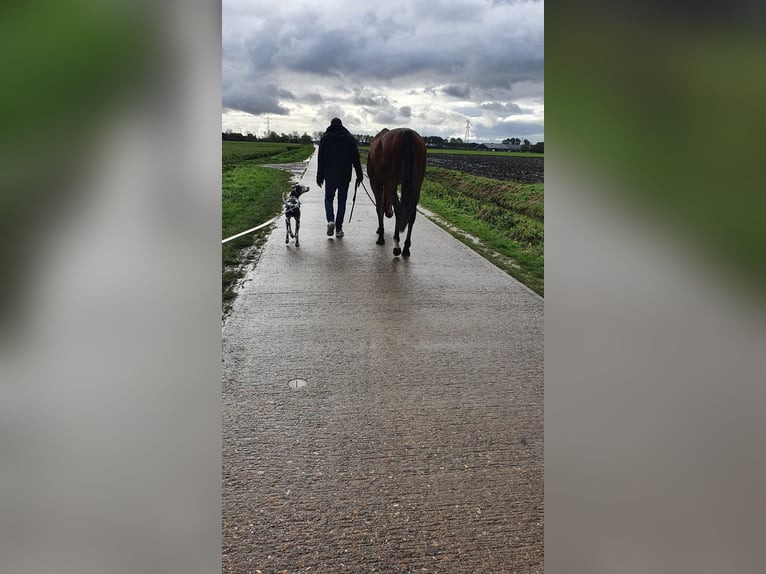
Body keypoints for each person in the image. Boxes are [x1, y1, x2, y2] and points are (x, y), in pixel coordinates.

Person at [316, 117, 363, 238]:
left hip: (329, 175)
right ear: (341, 125)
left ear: (331, 125)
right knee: (342, 202)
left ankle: (330, 221)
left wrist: (319, 175)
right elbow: (355, 158)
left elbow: (320, 158)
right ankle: (338, 229)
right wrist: (359, 174)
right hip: (344, 175)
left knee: (328, 199)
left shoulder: (325, 138)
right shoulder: (348, 138)